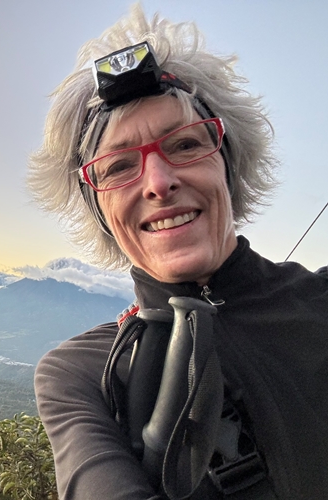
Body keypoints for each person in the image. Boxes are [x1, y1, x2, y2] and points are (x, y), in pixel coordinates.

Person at [29, 5, 328, 499]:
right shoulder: (83, 374)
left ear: (228, 167)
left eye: (185, 145)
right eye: (119, 166)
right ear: (101, 211)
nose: (159, 182)